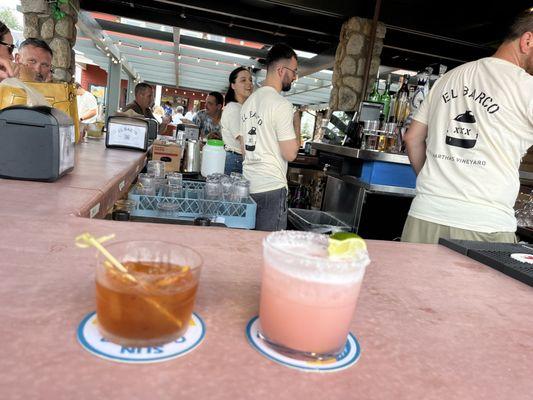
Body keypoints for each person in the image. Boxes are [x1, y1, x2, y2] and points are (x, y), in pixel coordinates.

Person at [401, 9, 533, 244]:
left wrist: (437, 186)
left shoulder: (449, 77)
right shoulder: (527, 87)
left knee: (414, 282)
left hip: (424, 215)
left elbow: (412, 138)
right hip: (483, 225)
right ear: (528, 40)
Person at [241, 43, 300, 231]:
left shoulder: (248, 103)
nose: (295, 76)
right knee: (268, 251)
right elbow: (290, 154)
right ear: (281, 70)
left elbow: (244, 150)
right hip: (271, 188)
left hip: (248, 185)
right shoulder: (281, 105)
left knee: (249, 247)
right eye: (293, 71)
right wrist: (296, 125)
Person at [221, 66, 254, 175]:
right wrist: (250, 166)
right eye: (243, 80)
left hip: (237, 159)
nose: (249, 83)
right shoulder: (234, 108)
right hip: (237, 160)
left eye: (250, 80)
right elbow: (243, 139)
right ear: (233, 85)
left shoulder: (243, 108)